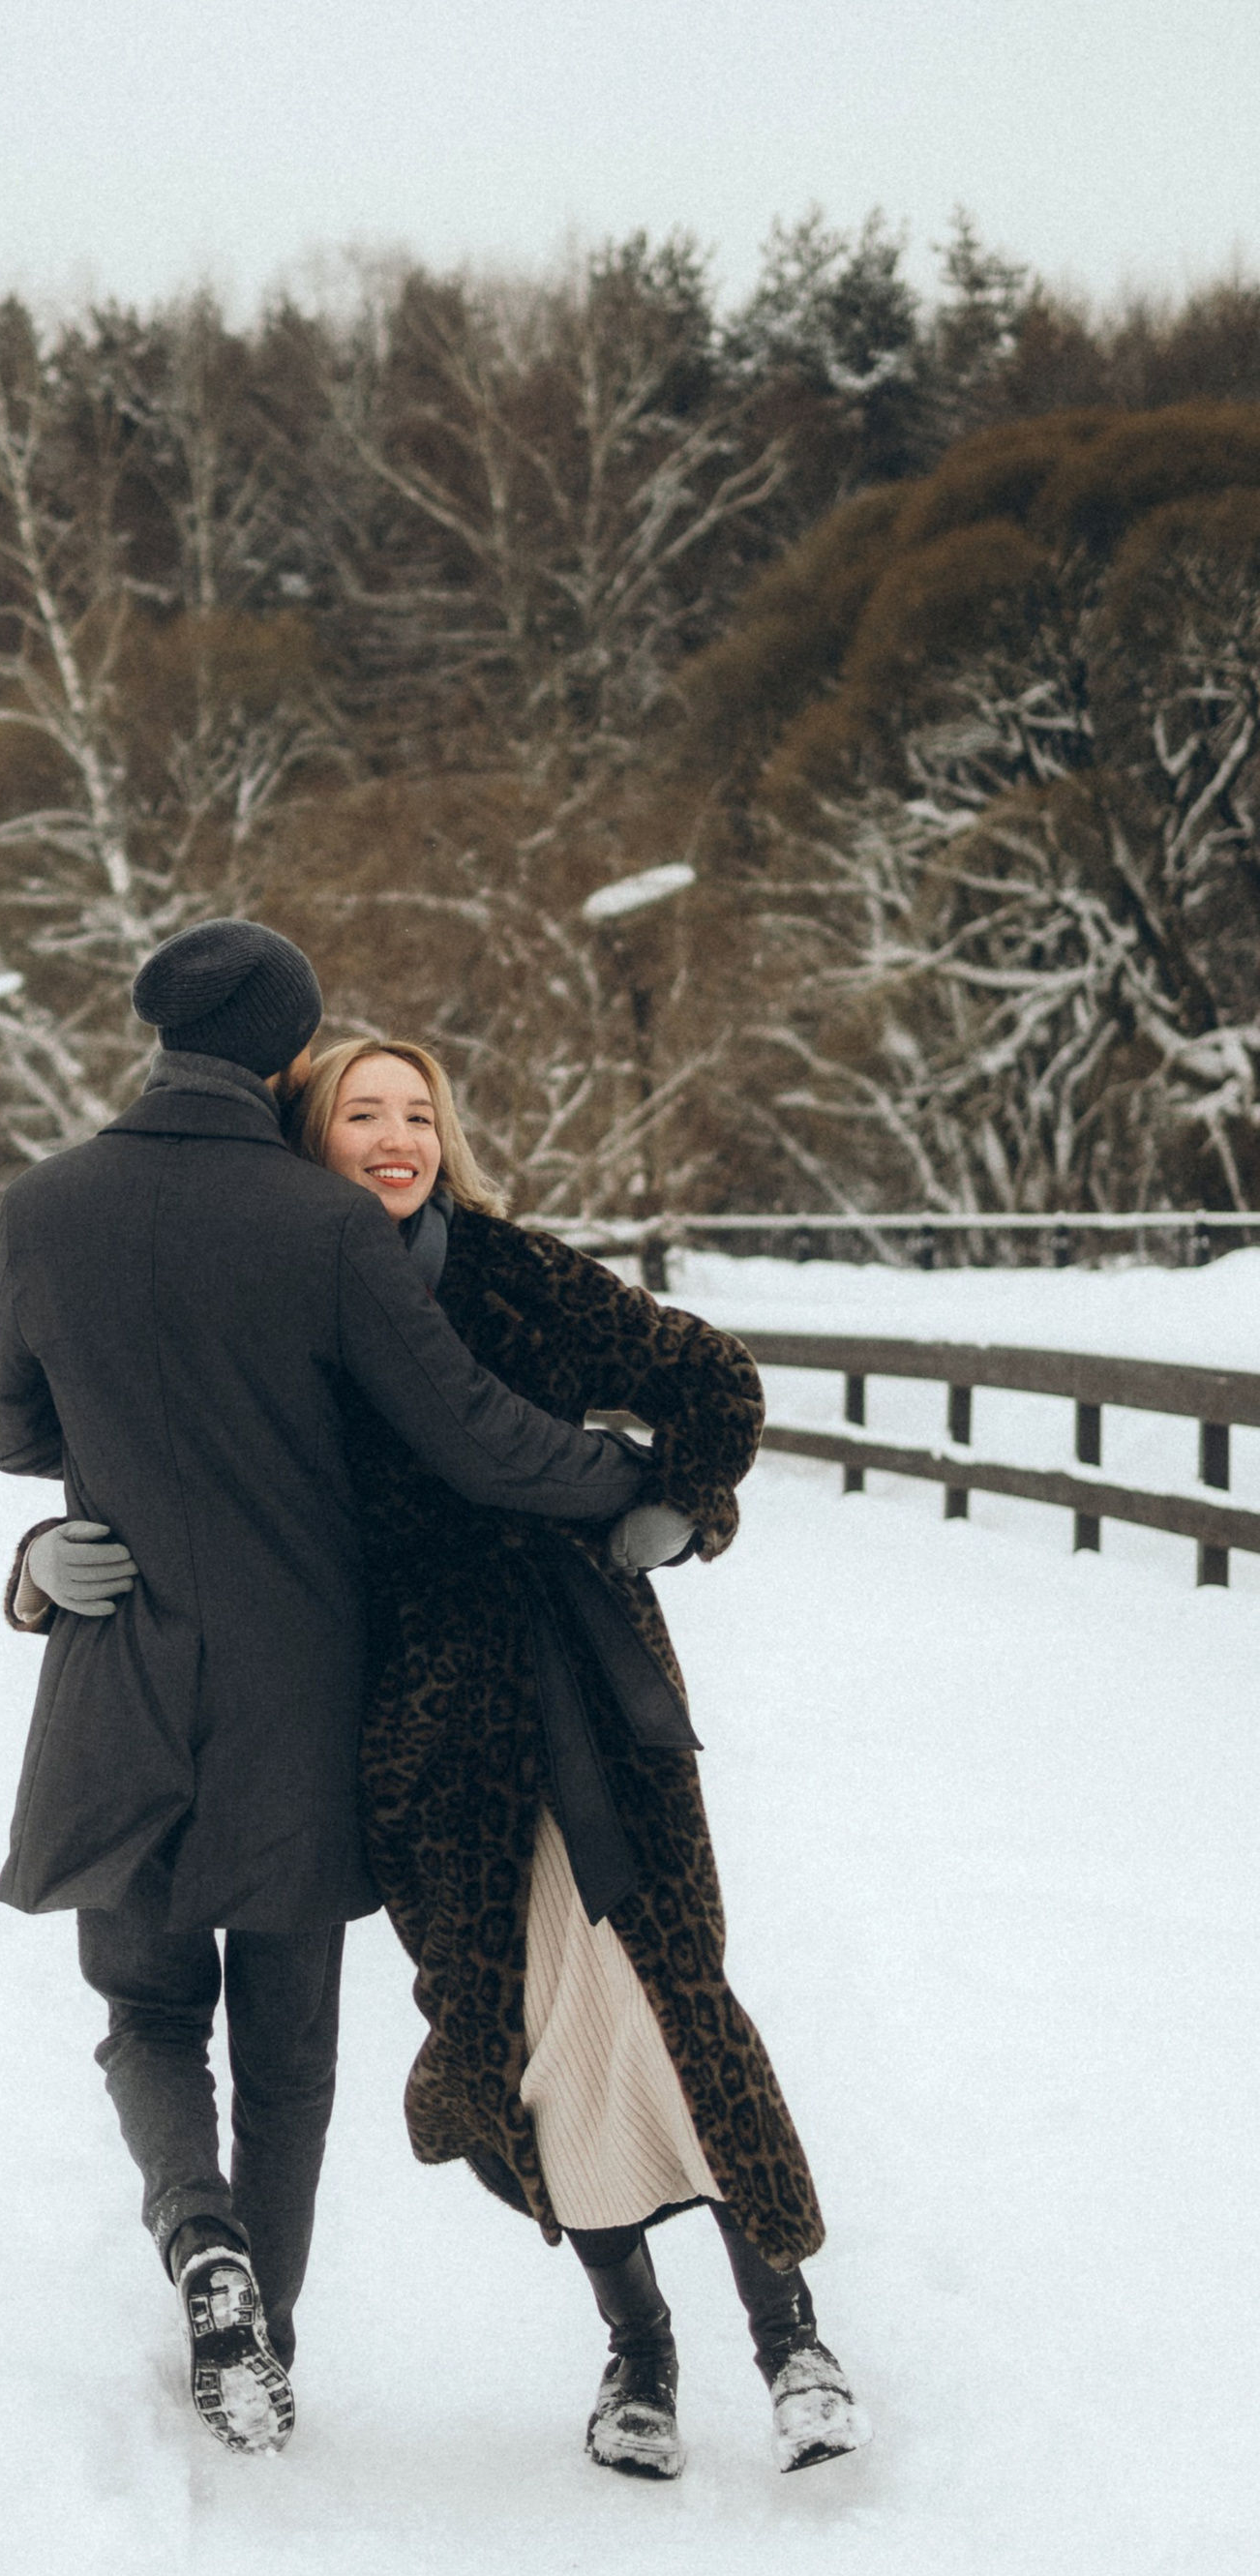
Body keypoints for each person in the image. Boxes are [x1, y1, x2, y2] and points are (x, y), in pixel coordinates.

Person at [0, 919, 654, 2456]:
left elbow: (19, 1433)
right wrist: (621, 1471)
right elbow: (476, 1434)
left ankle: (197, 2243)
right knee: (288, 2051)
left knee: (147, 2015)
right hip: (303, 1687)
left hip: (119, 1667)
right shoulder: (323, 1224)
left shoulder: (43, 1205)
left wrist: (57, 1534)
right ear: (289, 1055)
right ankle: (261, 2343)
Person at [291, 1033, 869, 2478]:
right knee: (534, 2039)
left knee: (672, 1993)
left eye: (417, 1112)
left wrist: (678, 1509)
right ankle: (638, 2353)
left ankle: (790, 2336)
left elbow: (711, 1380)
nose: (396, 1136)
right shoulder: (283, 1306)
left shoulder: (507, 1273)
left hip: (589, 1690)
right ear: (307, 1134)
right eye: (362, 1113)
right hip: (430, 1739)